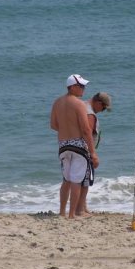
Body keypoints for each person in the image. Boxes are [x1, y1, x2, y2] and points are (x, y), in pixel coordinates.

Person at [50, 74, 99, 219]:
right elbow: (86, 130)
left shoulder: (57, 102)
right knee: (77, 180)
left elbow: (53, 125)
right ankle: (72, 215)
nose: (83, 89)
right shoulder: (79, 104)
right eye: (81, 86)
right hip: (78, 144)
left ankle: (61, 212)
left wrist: (66, 128)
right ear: (72, 87)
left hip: (63, 144)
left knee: (66, 180)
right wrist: (93, 153)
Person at [76, 92, 112, 216]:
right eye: (103, 108)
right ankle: (80, 210)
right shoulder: (90, 114)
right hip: (84, 149)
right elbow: (87, 133)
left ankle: (83, 207)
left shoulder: (82, 105)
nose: (102, 111)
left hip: (74, 146)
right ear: (98, 102)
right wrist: (93, 154)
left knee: (78, 179)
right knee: (85, 180)